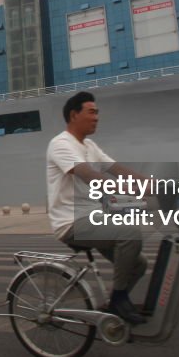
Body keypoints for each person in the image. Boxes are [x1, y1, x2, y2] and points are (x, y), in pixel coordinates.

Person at [46, 91, 152, 325]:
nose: (97, 118)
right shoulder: (61, 144)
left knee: (139, 263)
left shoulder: (90, 145)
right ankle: (119, 301)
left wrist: (155, 184)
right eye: (91, 112)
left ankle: (113, 304)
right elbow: (89, 175)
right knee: (130, 233)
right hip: (71, 222)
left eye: (97, 113)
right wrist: (133, 190)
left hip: (93, 218)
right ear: (74, 115)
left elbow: (118, 169)